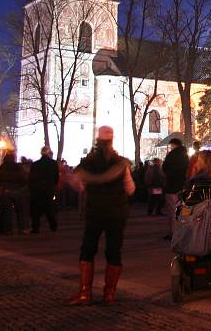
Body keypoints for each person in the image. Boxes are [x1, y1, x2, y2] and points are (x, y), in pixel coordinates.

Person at [67, 126, 135, 306]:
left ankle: (84, 293)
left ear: (97, 141)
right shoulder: (121, 163)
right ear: (112, 141)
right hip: (116, 212)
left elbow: (79, 186)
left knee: (88, 249)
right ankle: (109, 294)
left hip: (95, 211)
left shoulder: (87, 163)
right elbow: (130, 188)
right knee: (114, 251)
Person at [0, 150, 29, 235]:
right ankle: (22, 228)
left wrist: (3, 186)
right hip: (17, 191)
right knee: (20, 211)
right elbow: (23, 179)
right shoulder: (18, 167)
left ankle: (8, 230)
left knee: (7, 212)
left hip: (6, 191)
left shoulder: (2, 167)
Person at [162, 138, 189, 239]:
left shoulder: (171, 155)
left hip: (171, 186)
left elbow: (164, 167)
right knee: (183, 210)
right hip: (182, 186)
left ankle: (173, 232)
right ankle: (184, 231)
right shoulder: (185, 156)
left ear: (174, 145)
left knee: (172, 210)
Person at [28, 146, 59, 233]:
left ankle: (35, 227)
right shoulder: (53, 164)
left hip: (37, 190)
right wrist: (53, 186)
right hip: (49, 189)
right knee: (49, 209)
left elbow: (31, 178)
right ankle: (53, 226)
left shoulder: (35, 164)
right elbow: (56, 177)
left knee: (35, 210)